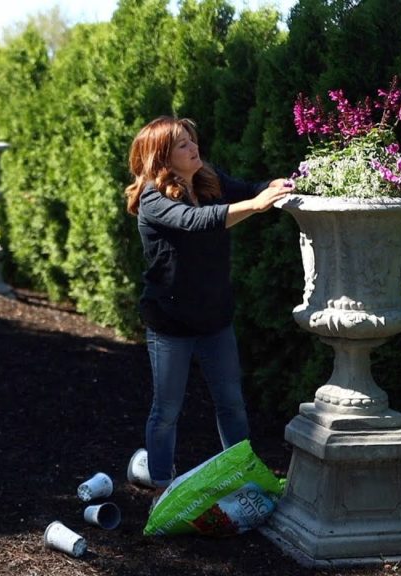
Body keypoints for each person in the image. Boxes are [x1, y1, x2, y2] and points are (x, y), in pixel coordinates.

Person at [124, 116, 291, 492]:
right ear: (161, 157)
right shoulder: (152, 197)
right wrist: (256, 205)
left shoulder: (208, 178)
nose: (194, 148)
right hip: (171, 321)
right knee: (166, 411)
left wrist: (272, 187)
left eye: (192, 140)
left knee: (232, 403)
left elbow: (248, 188)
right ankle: (161, 487)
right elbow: (196, 220)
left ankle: (243, 479)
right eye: (182, 144)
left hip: (214, 318)